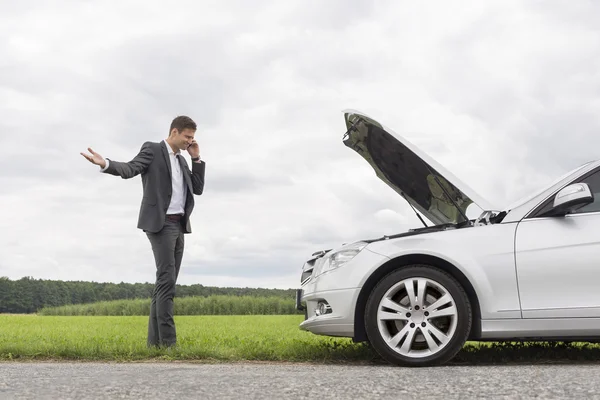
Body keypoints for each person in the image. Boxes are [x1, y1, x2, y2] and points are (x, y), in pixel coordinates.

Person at [80, 115, 206, 348]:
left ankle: (154, 345)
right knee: (167, 284)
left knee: (163, 284)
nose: (190, 141)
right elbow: (131, 168)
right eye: (188, 137)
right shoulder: (153, 149)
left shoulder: (182, 161)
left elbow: (197, 189)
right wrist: (106, 163)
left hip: (179, 225)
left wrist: (196, 158)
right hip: (160, 224)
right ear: (175, 132)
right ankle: (169, 345)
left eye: (193, 138)